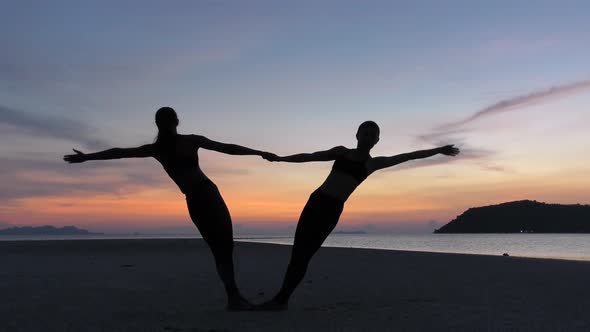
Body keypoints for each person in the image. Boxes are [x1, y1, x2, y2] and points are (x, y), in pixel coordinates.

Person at [63, 106, 275, 311]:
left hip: (207, 194)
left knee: (224, 247)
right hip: (197, 198)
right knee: (219, 248)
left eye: (166, 120)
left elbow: (227, 148)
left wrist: (258, 152)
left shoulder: (188, 141)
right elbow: (120, 153)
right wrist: (88, 157)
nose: (166, 124)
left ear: (172, 122)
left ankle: (234, 297)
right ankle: (234, 297)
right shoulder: (159, 148)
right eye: (163, 121)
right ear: (169, 122)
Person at [259, 121, 460, 309]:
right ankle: (281, 299)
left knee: (306, 255)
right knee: (297, 253)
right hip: (316, 202)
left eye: (373, 134)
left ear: (377, 141)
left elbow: (409, 156)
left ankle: (282, 299)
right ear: (357, 135)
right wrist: (280, 158)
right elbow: (310, 156)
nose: (368, 136)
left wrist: (439, 150)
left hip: (332, 209)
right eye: (365, 132)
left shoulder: (372, 164)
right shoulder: (341, 152)